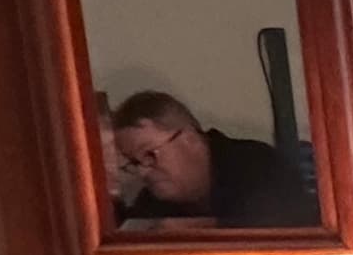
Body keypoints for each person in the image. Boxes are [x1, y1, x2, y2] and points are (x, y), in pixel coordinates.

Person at [106, 91, 315, 230]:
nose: (143, 173)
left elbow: (286, 230)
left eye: (149, 154)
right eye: (134, 162)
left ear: (189, 139)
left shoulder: (259, 165)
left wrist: (199, 228)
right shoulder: (152, 200)